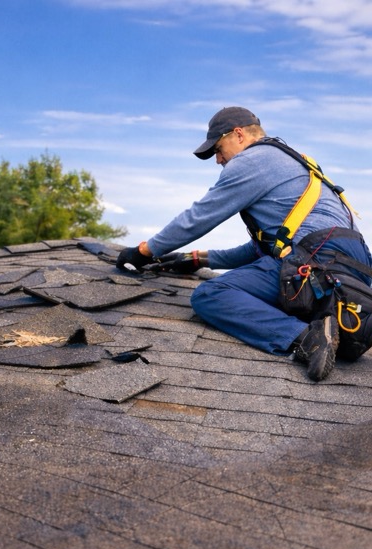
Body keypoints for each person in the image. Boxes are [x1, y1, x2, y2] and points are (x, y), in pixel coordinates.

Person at [116, 106, 372, 381]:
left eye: (218, 148)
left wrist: (145, 251)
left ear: (238, 134)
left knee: (210, 295)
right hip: (351, 267)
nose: (218, 160)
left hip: (315, 260)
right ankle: (325, 329)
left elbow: (200, 216)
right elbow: (263, 250)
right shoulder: (294, 162)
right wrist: (197, 258)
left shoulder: (253, 160)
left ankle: (305, 337)